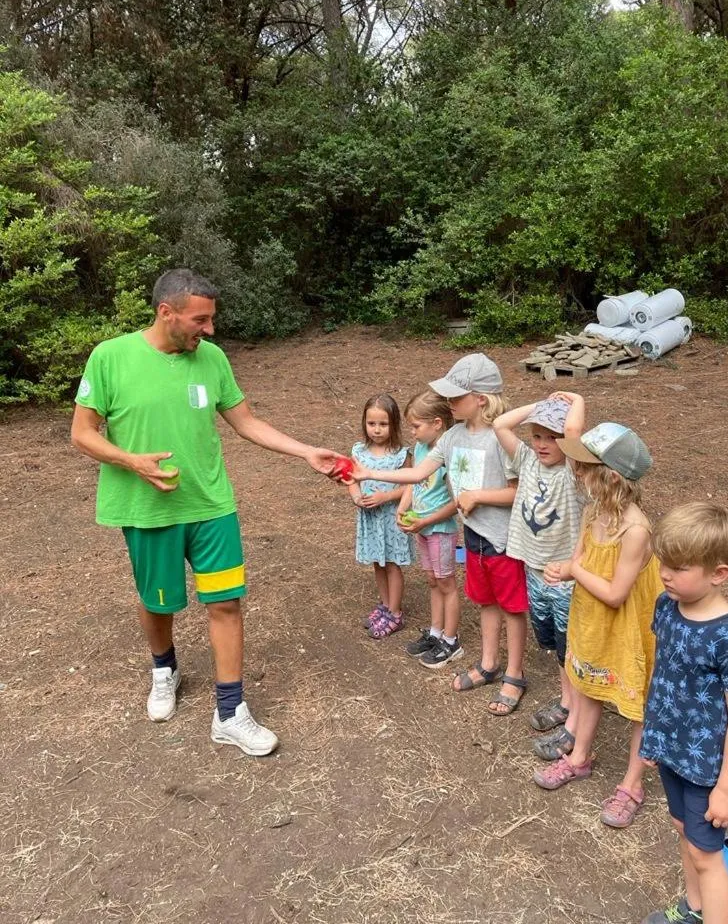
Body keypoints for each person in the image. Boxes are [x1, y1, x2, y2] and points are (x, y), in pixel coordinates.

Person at [71, 268, 342, 756]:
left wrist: (305, 452)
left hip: (212, 507)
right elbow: (83, 433)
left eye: (212, 320)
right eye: (201, 320)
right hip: (147, 509)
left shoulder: (212, 358)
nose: (210, 330)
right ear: (166, 312)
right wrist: (130, 460)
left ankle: (230, 712)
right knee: (159, 602)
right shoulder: (110, 357)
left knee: (226, 603)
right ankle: (163, 669)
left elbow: (246, 421)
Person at [348, 354, 526, 710]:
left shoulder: (499, 439)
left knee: (511, 607)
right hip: (474, 536)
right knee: (485, 601)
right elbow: (418, 474)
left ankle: (514, 674)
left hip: (504, 539)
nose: (448, 404)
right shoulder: (453, 436)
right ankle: (489, 665)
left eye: (455, 397)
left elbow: (517, 491)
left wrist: (477, 496)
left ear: (481, 398)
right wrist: (369, 475)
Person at [534, 423, 662, 830]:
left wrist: (573, 569)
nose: (576, 470)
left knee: (639, 704)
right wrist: (564, 571)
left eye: (585, 465)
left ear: (609, 476)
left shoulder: (636, 529)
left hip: (627, 626)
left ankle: (632, 785)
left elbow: (615, 593)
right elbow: (581, 561)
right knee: (588, 683)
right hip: (592, 618)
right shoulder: (595, 512)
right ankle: (579, 758)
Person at [639, 502, 728, 924]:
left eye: (680, 567)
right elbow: (664, 673)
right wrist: (654, 734)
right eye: (663, 564)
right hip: (672, 751)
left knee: (706, 854)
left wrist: (727, 789)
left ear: (719, 573)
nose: (666, 574)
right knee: (684, 832)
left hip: (707, 766)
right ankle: (692, 910)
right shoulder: (666, 606)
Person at [493, 392, 585, 749]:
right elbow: (500, 423)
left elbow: (574, 430)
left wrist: (574, 399)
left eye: (553, 437)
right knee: (551, 643)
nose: (544, 444)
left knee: (569, 648)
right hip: (534, 570)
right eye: (538, 435)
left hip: (563, 577)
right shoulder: (528, 461)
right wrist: (539, 407)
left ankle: (576, 715)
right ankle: (566, 702)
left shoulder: (574, 471)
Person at [397, 391, 461, 668]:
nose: (412, 432)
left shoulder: (448, 455)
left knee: (446, 583)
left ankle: (451, 640)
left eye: (416, 426)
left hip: (441, 529)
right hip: (422, 528)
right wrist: (403, 508)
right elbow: (413, 482)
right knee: (433, 581)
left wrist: (428, 521)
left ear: (437, 423)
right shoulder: (421, 449)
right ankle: (435, 633)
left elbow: (457, 502)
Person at [348, 394, 413, 639]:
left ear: (394, 424)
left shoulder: (400, 453)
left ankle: (395, 613)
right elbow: (351, 479)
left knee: (392, 564)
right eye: (371, 423)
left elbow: (410, 485)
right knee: (378, 561)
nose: (376, 430)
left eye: (383, 424)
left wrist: (385, 498)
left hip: (391, 518)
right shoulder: (358, 451)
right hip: (371, 519)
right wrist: (357, 498)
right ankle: (385, 606)